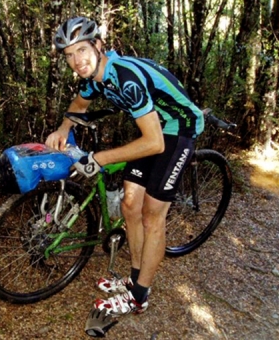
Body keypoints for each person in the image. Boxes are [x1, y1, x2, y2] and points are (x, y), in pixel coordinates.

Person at [45, 17, 204, 317]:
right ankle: (133, 278)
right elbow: (79, 105)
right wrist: (63, 128)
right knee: (130, 205)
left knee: (151, 215)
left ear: (98, 46)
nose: (76, 61)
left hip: (178, 127)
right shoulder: (93, 79)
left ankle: (139, 297)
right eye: (69, 55)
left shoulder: (125, 78)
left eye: (81, 50)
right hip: (154, 127)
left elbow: (155, 144)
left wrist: (100, 158)